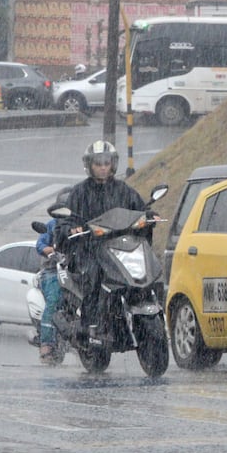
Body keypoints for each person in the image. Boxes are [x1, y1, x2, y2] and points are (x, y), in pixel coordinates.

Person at [54, 140, 147, 343]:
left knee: (144, 268)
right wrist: (71, 228)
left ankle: (144, 306)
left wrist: (150, 216)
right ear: (89, 165)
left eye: (107, 162)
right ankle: (91, 325)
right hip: (90, 250)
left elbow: (140, 208)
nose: (103, 167)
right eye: (98, 163)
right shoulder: (79, 193)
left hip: (120, 247)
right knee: (94, 276)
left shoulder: (123, 190)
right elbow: (66, 220)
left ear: (113, 164)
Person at [34, 186, 74, 365]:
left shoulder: (81, 224)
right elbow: (40, 244)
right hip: (53, 270)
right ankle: (46, 345)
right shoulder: (52, 226)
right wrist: (51, 251)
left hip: (76, 270)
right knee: (54, 300)